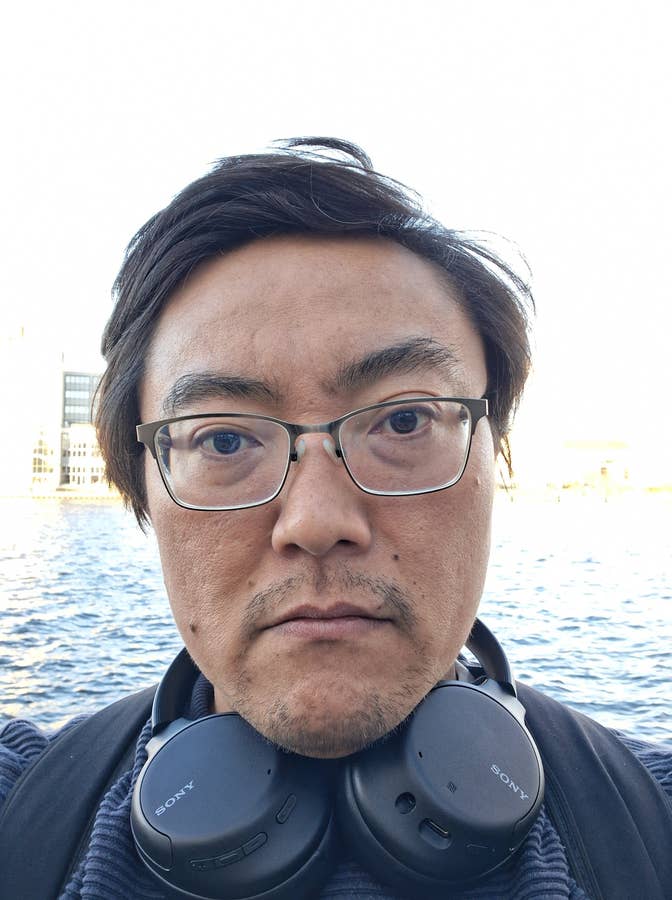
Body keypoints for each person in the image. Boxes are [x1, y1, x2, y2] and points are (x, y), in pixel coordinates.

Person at [0, 138, 670, 900]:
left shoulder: (651, 820)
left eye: (405, 421)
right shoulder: (24, 809)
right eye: (224, 440)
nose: (316, 521)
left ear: (497, 454)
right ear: (144, 485)